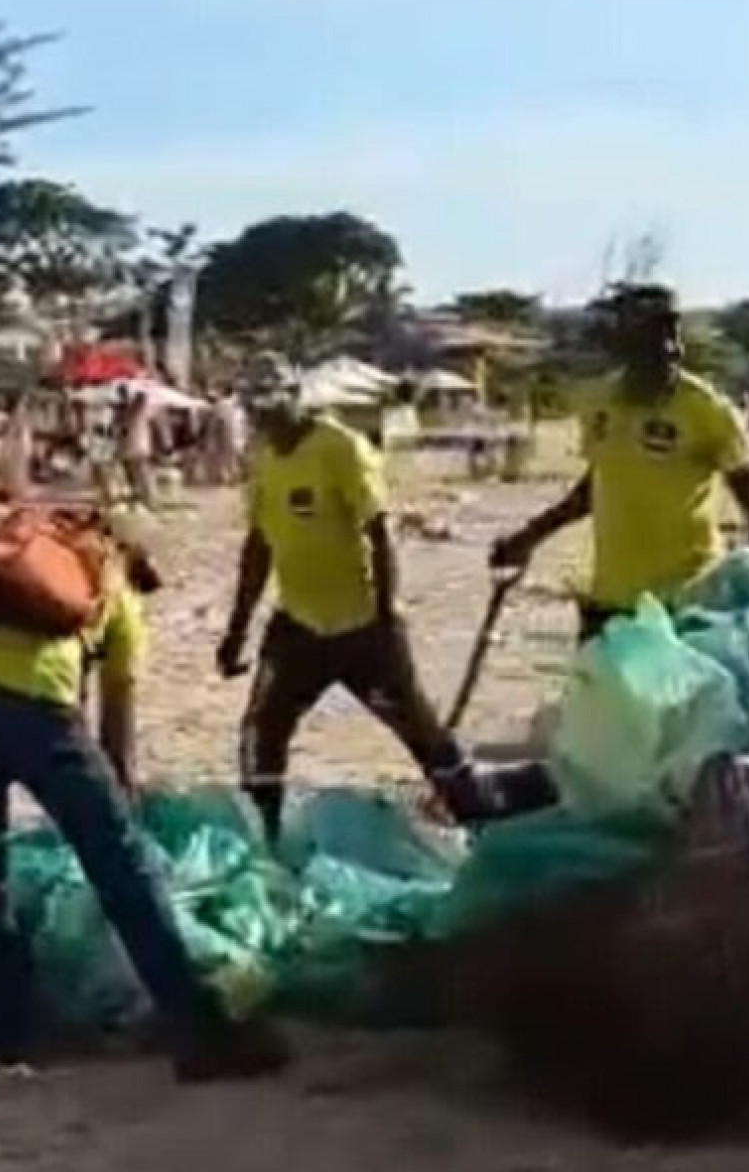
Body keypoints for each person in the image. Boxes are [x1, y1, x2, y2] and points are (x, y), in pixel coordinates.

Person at [0, 518, 288, 1081]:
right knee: (120, 860)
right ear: (135, 560)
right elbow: (116, 743)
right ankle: (196, 1030)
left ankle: (2, 1034)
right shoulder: (116, 592)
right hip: (38, 710)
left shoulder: (3, 561)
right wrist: (128, 815)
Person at [218, 357, 543, 842]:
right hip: (298, 625)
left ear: (293, 398)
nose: (265, 422)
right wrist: (237, 629)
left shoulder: (341, 448)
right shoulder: (264, 457)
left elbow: (379, 531)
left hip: (361, 625)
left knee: (423, 735)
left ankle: (487, 815)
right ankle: (263, 837)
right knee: (261, 733)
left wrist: (387, 614)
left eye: (271, 409)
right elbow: (259, 545)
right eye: (255, 412)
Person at [491, 284, 749, 642]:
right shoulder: (600, 404)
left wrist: (743, 573)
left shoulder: (708, 411)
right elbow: (593, 488)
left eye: (673, 336)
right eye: (652, 340)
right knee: (599, 697)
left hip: (686, 604)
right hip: (612, 600)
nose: (670, 350)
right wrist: (527, 538)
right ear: (625, 347)